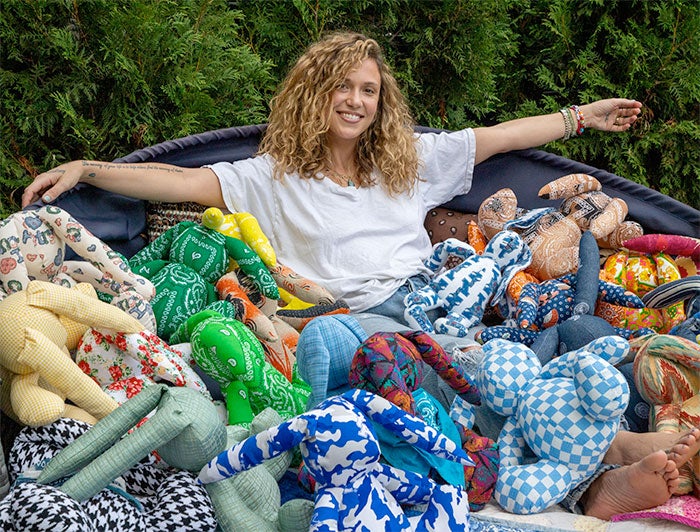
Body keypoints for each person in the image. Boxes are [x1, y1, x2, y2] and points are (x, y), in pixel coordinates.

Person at [22, 31, 699, 518]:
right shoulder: (267, 178)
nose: (355, 100)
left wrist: (581, 118)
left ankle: (599, 465)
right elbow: (176, 178)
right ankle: (602, 468)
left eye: (368, 90)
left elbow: (497, 139)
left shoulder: (406, 161)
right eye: (342, 86)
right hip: (351, 322)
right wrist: (88, 170)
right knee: (450, 368)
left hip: (435, 296)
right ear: (312, 93)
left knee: (500, 359)